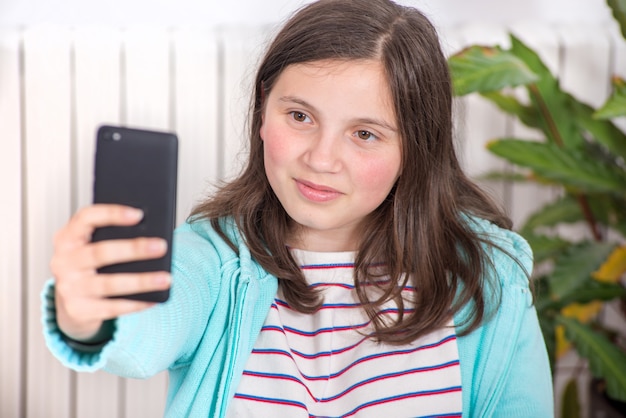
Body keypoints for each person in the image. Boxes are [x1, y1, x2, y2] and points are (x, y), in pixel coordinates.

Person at [43, 0, 554, 416]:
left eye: (365, 133)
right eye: (300, 115)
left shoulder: (489, 277)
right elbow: (141, 333)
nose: (321, 159)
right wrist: (84, 312)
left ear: (415, 147)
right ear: (263, 109)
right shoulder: (217, 261)